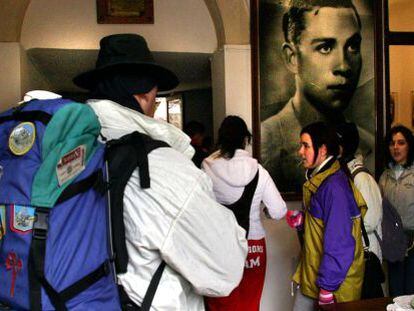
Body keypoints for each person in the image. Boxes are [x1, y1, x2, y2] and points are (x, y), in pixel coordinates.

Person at [72, 33, 248, 310]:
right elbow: (225, 268)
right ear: (143, 93)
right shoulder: (162, 166)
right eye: (156, 96)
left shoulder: (65, 151)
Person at [261, 0, 374, 193]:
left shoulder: (369, 143)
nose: (344, 66)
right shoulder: (266, 141)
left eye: (352, 46)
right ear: (292, 58)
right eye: (325, 47)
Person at [202, 116, 287, 311]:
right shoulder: (258, 171)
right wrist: (264, 211)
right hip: (253, 245)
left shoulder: (207, 167)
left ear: (221, 139)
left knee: (221, 303)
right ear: (245, 140)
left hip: (218, 245)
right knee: (249, 304)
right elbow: (279, 210)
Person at [288, 122, 366, 310]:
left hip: (332, 285)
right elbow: (327, 222)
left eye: (305, 145)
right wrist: (304, 220)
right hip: (314, 275)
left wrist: (327, 288)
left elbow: (340, 241)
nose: (300, 151)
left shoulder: (333, 187)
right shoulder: (322, 179)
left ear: (322, 150)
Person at [336, 122, 384, 298]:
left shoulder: (361, 177)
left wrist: (339, 226)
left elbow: (370, 220)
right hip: (351, 254)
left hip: (365, 253)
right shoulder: (342, 174)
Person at [379, 125, 414, 296]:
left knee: (411, 293)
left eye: (401, 143)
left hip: (413, 242)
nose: (396, 147)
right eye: (392, 143)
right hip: (393, 243)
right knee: (395, 293)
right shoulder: (385, 177)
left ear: (409, 145)